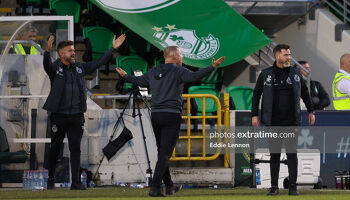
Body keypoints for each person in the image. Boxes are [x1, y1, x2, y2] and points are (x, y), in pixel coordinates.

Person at [116, 46, 225, 197]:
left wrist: (125, 76)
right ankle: (155, 187)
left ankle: (169, 186)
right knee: (165, 154)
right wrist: (212, 67)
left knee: (162, 152)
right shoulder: (179, 71)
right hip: (171, 115)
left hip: (156, 115)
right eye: (181, 54)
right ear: (174, 56)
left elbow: (139, 81)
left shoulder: (153, 71)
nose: (182, 57)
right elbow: (195, 77)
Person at [44, 34, 126, 190]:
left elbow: (97, 63)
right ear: (61, 54)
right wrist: (47, 51)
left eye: (74, 50)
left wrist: (112, 49)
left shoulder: (80, 68)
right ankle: (50, 179)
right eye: (69, 51)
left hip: (76, 116)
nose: (73, 53)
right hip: (58, 116)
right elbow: (46, 65)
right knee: (55, 148)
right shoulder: (55, 68)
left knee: (75, 148)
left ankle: (75, 182)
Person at [251, 44, 315, 196]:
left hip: (292, 122)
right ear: (277, 56)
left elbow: (305, 93)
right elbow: (256, 95)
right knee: (274, 155)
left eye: (289, 55)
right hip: (273, 122)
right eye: (286, 55)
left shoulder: (296, 73)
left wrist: (311, 111)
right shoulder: (266, 74)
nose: (288, 58)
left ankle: (293, 187)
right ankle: (274, 187)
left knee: (292, 154)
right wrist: (254, 115)